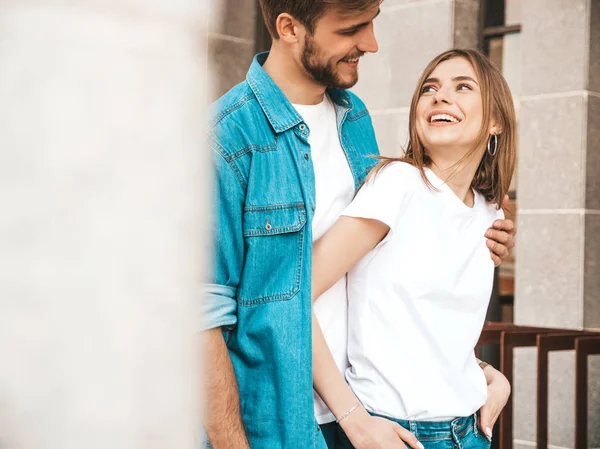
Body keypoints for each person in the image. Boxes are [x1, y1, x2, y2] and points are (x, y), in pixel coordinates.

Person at [201, 0, 516, 445]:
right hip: (284, 420)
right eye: (353, 29)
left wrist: (476, 371)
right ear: (291, 28)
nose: (371, 43)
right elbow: (200, 319)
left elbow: (385, 284)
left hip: (369, 416)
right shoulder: (225, 138)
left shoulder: (355, 119)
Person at [310, 49, 515, 449]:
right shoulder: (397, 184)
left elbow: (429, 330)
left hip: (472, 432)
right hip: (394, 433)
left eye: (463, 87)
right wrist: (353, 419)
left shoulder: (490, 212)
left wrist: (492, 378)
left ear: (495, 122)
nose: (440, 96)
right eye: (429, 88)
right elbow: (298, 293)